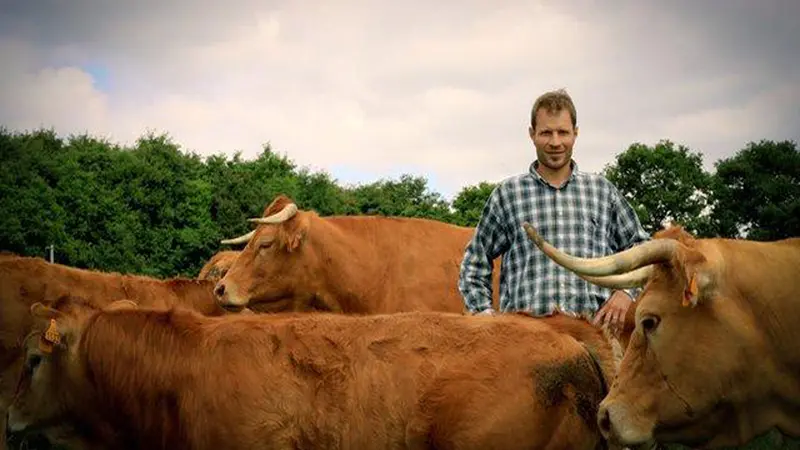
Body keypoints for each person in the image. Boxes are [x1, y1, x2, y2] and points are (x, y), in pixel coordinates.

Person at [458, 88, 649, 333]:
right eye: (546, 133)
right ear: (532, 134)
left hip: (594, 336)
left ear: (576, 134)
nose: (555, 142)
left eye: (563, 132)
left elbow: (642, 248)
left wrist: (626, 293)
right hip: (528, 340)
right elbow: (475, 261)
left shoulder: (602, 191)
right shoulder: (508, 194)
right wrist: (484, 316)